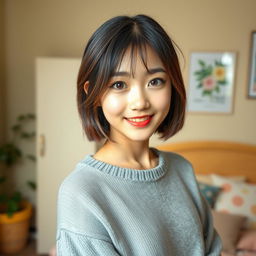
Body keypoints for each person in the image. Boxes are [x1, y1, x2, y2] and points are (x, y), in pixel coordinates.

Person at [56, 14, 222, 255]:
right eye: (119, 85)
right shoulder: (81, 191)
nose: (140, 102)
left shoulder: (182, 169)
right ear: (93, 93)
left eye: (155, 81)